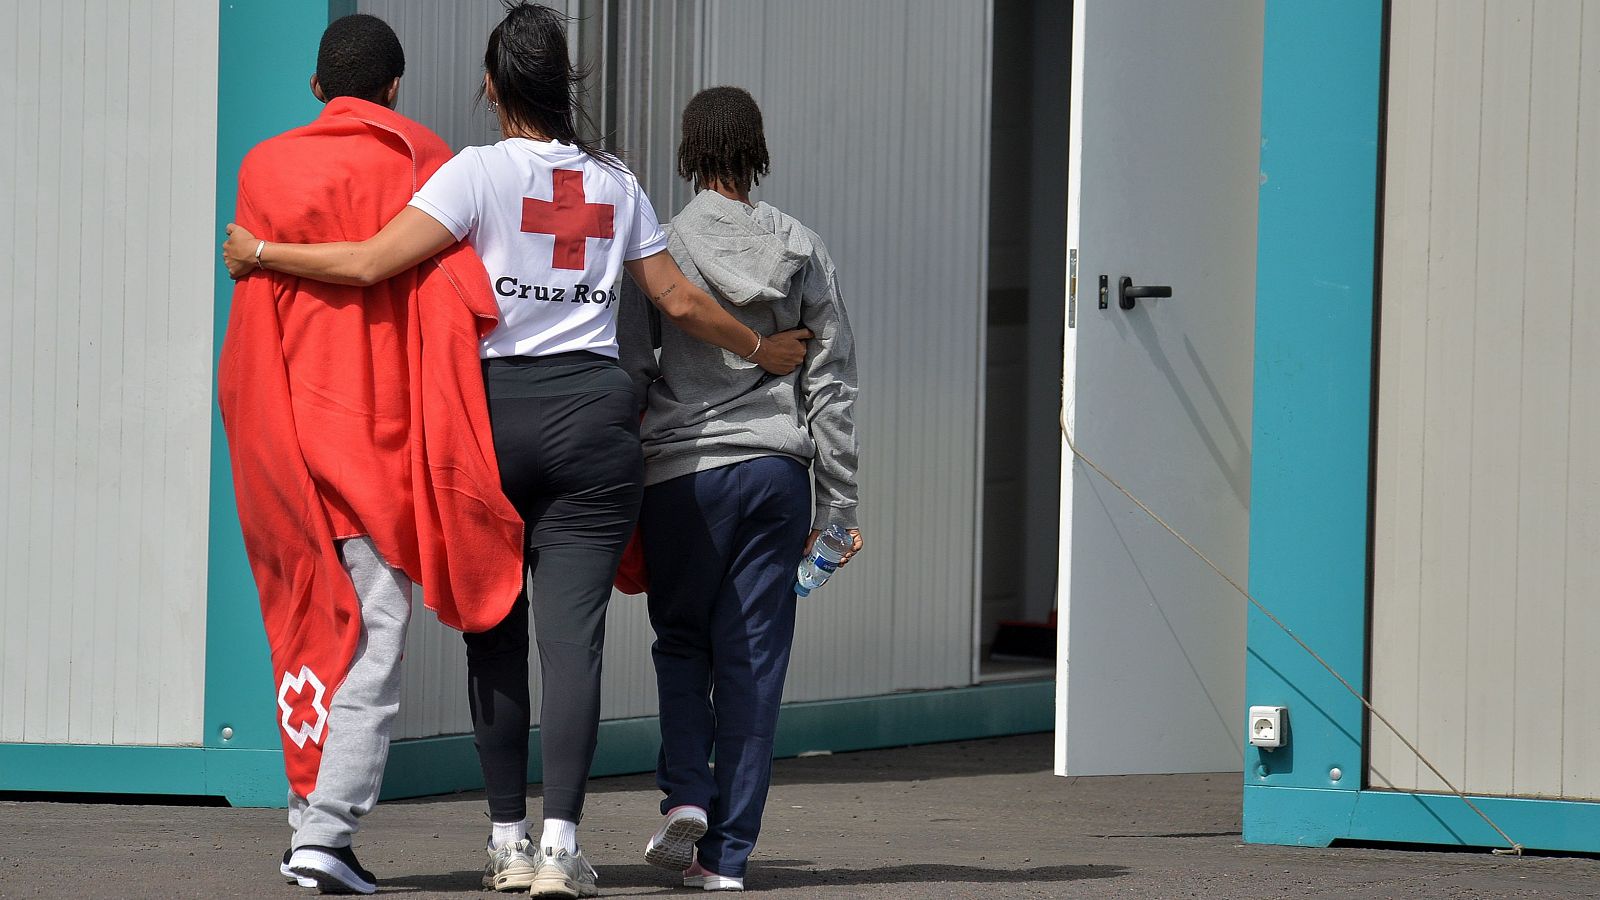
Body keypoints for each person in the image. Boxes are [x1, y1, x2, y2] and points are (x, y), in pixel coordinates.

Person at [222, 6, 810, 897]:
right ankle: (562, 849)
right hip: (595, 425)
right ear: (561, 81)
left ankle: (505, 840)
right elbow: (680, 303)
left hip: (489, 427)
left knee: (492, 634)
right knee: (571, 645)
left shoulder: (473, 174)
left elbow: (373, 262)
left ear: (494, 87)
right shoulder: (615, 181)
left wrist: (262, 250)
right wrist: (762, 349)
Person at [217, 14, 524, 896]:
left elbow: (253, 316)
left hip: (289, 430)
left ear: (318, 88)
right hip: (383, 437)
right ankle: (324, 835)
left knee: (310, 621)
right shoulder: (429, 159)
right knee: (374, 635)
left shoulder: (265, 167)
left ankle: (306, 821)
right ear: (393, 89)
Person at [618, 85, 862, 892]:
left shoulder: (661, 248)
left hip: (683, 479)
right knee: (753, 661)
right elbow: (832, 386)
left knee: (683, 641)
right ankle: (725, 861)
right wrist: (839, 508)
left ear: (690, 150)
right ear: (756, 150)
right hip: (774, 475)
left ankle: (686, 792)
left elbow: (631, 368)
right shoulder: (800, 246)